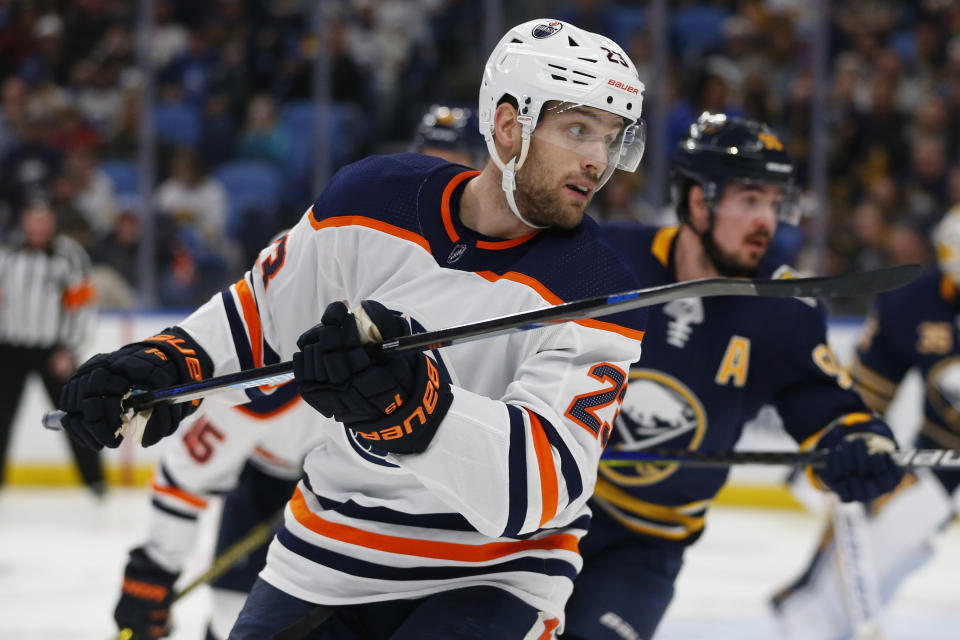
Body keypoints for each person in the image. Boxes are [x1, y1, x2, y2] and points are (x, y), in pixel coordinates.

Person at [56, 19, 648, 638]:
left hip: (495, 573)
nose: (598, 161)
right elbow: (260, 316)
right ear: (508, 125)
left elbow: (543, 489)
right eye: (579, 130)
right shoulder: (370, 201)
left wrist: (420, 412)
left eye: (612, 139)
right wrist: (171, 363)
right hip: (325, 554)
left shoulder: (599, 286)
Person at [560, 112, 904, 640]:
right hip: (550, 513)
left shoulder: (784, 310)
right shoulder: (607, 255)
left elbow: (824, 405)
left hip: (645, 550)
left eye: (773, 202)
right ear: (699, 202)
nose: (766, 220)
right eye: (749, 199)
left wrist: (857, 442)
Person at [771, 206, 960, 640]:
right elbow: (865, 398)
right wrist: (845, 443)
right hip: (941, 456)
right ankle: (810, 613)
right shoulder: (914, 303)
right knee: (904, 519)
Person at [112, 383, 323, 640]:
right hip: (269, 479)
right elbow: (186, 478)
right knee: (233, 613)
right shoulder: (264, 390)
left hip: (364, 486)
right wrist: (156, 568)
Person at [0, 199, 102, 493]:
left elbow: (82, 306)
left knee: (74, 416)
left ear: (53, 222)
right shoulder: (7, 254)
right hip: (9, 349)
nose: (38, 226)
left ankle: (94, 481)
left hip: (53, 351)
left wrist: (69, 349)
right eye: (33, 219)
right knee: (1, 418)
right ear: (24, 221)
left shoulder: (69, 256)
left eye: (44, 219)